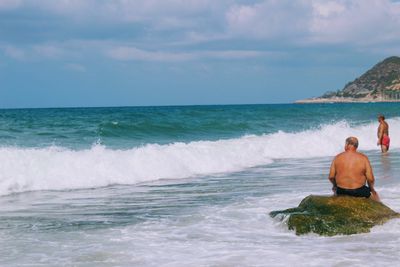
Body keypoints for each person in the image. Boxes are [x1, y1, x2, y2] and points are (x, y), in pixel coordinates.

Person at [328, 137, 380, 202]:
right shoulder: (364, 158)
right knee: (375, 198)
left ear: (347, 144)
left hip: (341, 191)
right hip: (359, 191)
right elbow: (370, 179)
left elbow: (331, 177)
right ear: (356, 146)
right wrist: (372, 190)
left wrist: (335, 186)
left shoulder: (337, 157)